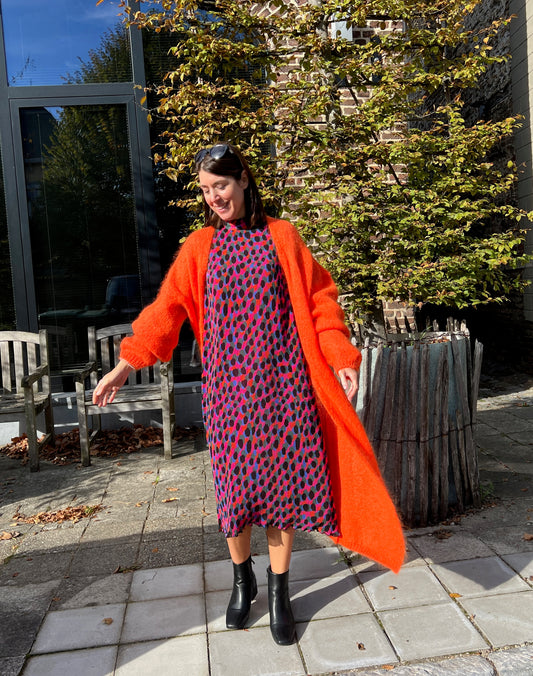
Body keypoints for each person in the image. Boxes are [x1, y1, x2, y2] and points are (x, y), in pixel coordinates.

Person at [93, 143, 405, 646]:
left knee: (283, 493)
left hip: (286, 389)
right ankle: (243, 580)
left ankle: (280, 590)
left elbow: (320, 300)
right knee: (234, 493)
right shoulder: (200, 246)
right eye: (205, 190)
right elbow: (167, 309)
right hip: (228, 393)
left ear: (242, 179)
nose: (214, 197)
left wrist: (341, 356)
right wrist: (125, 365)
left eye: (220, 185)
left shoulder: (283, 236)